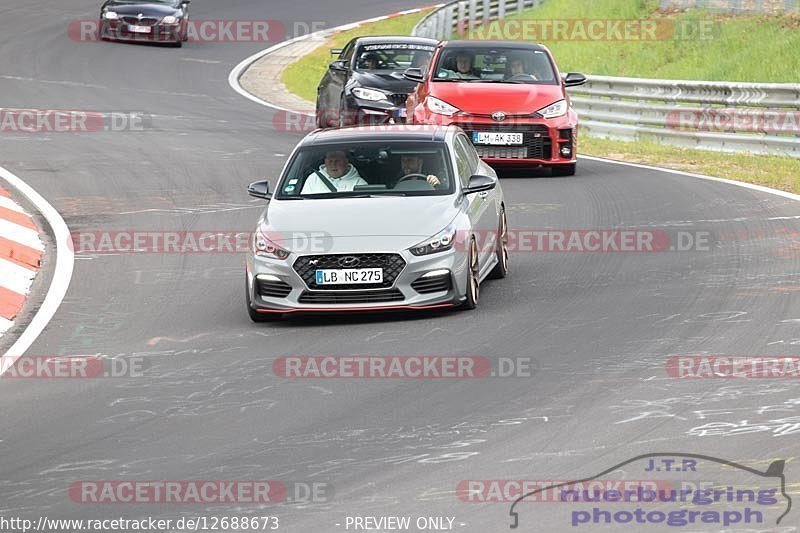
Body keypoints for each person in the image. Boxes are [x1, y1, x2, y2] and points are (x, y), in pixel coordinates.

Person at [302, 150, 367, 193]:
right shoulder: (313, 179)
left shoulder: (359, 183)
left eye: (337, 161)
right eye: (330, 161)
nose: (333, 165)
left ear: (346, 162)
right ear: (325, 162)